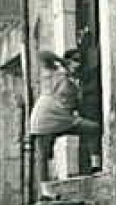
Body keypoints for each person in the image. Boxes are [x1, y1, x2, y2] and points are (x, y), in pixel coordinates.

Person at [29, 49, 100, 183]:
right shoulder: (53, 73)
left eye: (80, 61)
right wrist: (63, 63)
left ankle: (95, 166)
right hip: (45, 116)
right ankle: (46, 191)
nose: (77, 64)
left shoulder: (76, 81)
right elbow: (42, 54)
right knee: (44, 155)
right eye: (75, 61)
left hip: (64, 118)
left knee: (93, 128)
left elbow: (76, 105)